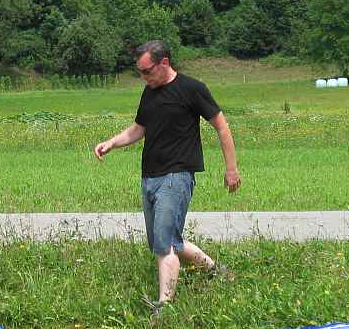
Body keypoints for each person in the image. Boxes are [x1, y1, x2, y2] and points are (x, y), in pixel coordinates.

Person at [94, 40, 241, 311]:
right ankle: (214, 270)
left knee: (165, 245)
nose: (143, 77)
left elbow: (222, 126)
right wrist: (111, 143)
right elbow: (138, 129)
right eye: (140, 72)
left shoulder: (192, 89)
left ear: (164, 63)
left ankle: (164, 306)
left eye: (147, 71)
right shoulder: (149, 92)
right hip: (150, 176)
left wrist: (231, 169)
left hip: (177, 176)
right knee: (164, 240)